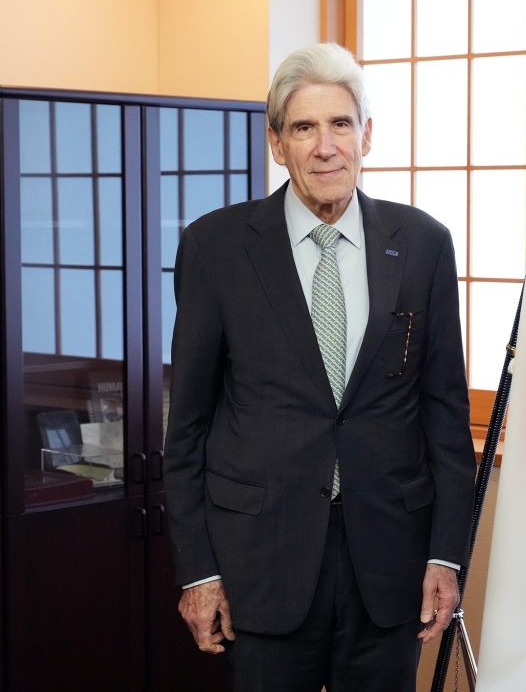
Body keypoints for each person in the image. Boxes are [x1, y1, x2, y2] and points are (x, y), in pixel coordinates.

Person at [163, 42, 476, 692]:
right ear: (277, 143)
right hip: (260, 565)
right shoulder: (216, 248)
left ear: (367, 135)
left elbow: (446, 418)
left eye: (340, 124)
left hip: (390, 568)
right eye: (304, 127)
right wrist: (198, 571)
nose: (325, 146)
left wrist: (447, 555)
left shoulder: (421, 245)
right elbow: (187, 429)